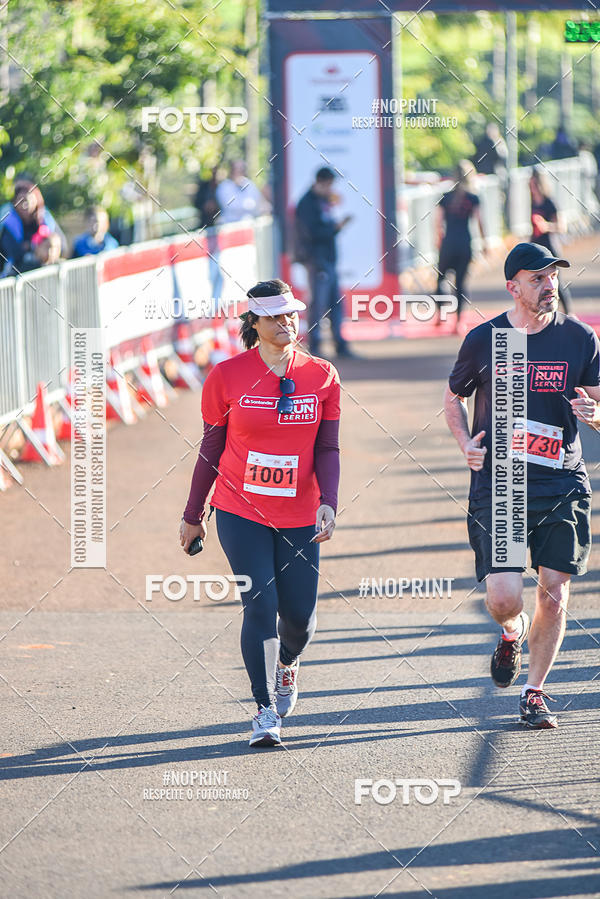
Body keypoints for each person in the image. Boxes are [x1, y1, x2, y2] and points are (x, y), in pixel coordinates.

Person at [444, 242, 600, 729]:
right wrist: (465, 442)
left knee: (554, 589)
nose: (549, 285)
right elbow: (453, 399)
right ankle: (512, 633)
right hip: (502, 485)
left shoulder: (579, 338)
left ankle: (535, 692)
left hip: (561, 481)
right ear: (513, 286)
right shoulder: (485, 339)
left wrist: (596, 416)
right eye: (537, 278)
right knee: (504, 598)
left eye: (553, 276)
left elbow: (598, 403)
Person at [179, 278, 341, 747]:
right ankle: (264, 710)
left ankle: (289, 663)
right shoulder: (227, 376)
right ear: (253, 322)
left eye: (291, 313)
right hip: (239, 509)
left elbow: (327, 447)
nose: (287, 321)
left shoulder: (322, 375)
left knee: (300, 619)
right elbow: (211, 448)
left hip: (300, 514)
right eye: (275, 316)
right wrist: (194, 514)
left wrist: (328, 500)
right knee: (260, 605)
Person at [295, 166, 354, 358]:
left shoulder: (323, 201)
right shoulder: (306, 204)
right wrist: (336, 227)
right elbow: (311, 234)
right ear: (321, 182)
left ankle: (340, 345)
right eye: (329, 184)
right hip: (316, 259)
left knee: (335, 303)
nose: (331, 188)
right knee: (318, 304)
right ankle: (315, 347)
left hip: (328, 259)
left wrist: (335, 226)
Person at [435, 161, 487, 332]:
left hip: (449, 243)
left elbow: (438, 224)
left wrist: (438, 241)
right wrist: (485, 242)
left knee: (441, 278)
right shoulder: (473, 198)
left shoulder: (446, 197)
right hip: (465, 243)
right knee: (461, 282)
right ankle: (459, 322)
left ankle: (440, 315)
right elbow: (479, 221)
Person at [529, 167, 572, 314]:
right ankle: (542, 312)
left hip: (550, 247)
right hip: (537, 249)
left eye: (534, 185)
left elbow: (562, 226)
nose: (532, 189)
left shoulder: (549, 202)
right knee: (536, 282)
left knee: (556, 283)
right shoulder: (533, 203)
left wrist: (546, 226)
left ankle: (569, 312)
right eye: (530, 185)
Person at [0, 180, 66, 277]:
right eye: (20, 201)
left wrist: (33, 247)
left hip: (44, 272)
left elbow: (61, 246)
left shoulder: (44, 219)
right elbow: (16, 254)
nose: (24, 205)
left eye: (27, 200)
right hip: (14, 274)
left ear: (36, 200)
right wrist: (36, 247)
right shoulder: (9, 223)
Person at [215, 160, 268, 225]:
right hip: (230, 226)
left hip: (249, 226)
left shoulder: (250, 185)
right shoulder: (224, 186)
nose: (239, 172)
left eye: (242, 169)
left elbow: (258, 203)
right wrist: (249, 206)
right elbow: (231, 206)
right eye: (236, 169)